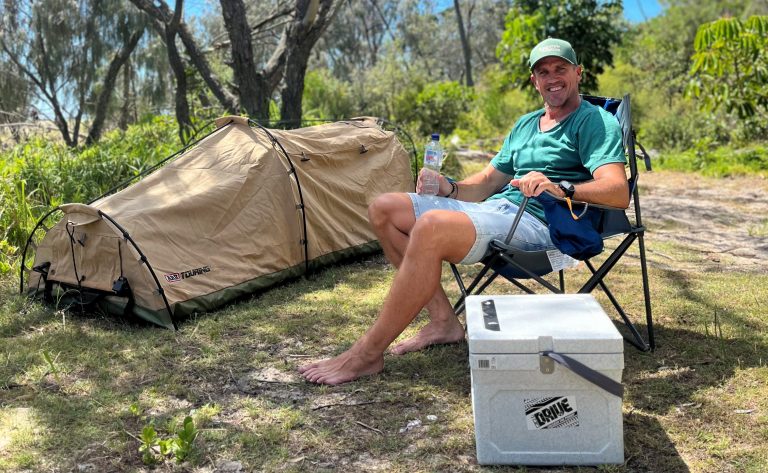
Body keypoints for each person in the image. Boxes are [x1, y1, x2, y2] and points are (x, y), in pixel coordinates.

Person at [299, 38, 630, 385]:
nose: (552, 78)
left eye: (560, 69)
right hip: (498, 210)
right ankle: (443, 322)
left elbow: (618, 191)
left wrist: (559, 187)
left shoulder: (593, 122)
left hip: (542, 226)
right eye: (543, 72)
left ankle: (366, 355)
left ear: (577, 73)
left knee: (431, 226)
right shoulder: (525, 125)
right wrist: (449, 187)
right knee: (384, 209)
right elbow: (488, 182)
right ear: (534, 81)